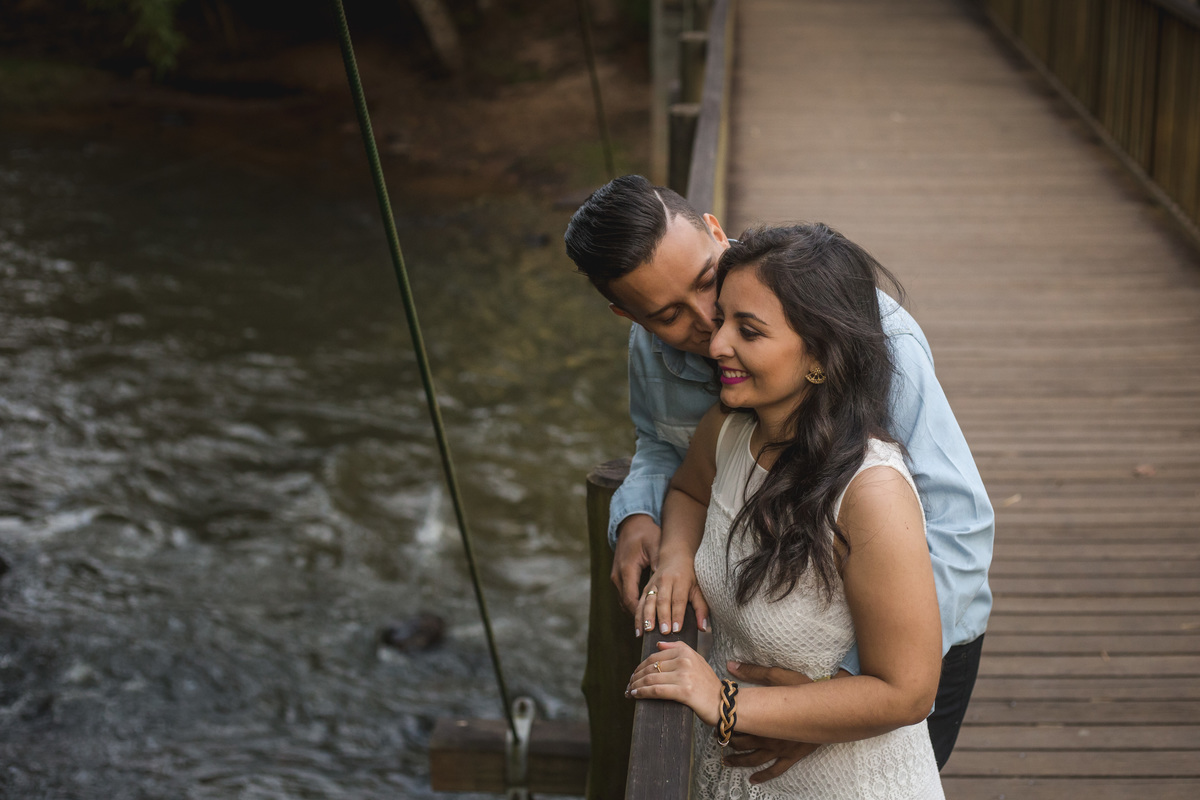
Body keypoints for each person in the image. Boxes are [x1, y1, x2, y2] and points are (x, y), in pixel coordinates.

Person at [564, 175, 992, 776]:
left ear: (716, 232)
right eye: (667, 316)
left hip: (907, 644)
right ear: (628, 314)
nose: (710, 330)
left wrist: (823, 698)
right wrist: (640, 515)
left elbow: (959, 524)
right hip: (768, 632)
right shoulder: (661, 356)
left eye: (707, 282)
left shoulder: (868, 333)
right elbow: (665, 443)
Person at [628, 223, 944, 797]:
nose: (716, 342)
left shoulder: (870, 493)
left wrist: (723, 699)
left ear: (820, 355)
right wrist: (674, 556)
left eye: (747, 331)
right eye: (722, 318)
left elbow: (909, 691)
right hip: (740, 771)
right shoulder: (726, 433)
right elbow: (688, 493)